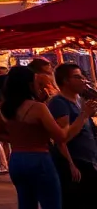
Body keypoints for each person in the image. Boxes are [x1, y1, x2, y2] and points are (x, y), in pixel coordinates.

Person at [0, 65, 96, 209]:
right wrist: (83, 116)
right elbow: (61, 137)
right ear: (29, 85)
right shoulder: (38, 108)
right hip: (39, 159)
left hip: (17, 159)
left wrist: (15, 139)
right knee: (51, 203)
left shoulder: (5, 108)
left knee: (26, 202)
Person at [47, 63, 97, 208]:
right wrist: (71, 164)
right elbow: (63, 138)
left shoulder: (78, 100)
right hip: (75, 161)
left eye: (82, 76)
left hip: (87, 159)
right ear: (65, 80)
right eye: (77, 77)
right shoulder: (59, 103)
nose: (83, 80)